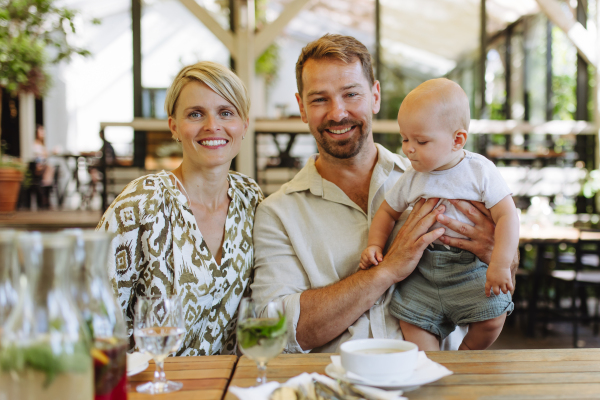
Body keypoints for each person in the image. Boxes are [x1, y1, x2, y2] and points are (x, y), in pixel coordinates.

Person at [251, 34, 518, 353]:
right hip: (337, 384)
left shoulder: (441, 177)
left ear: (375, 96)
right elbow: (271, 331)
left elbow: (505, 263)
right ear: (302, 108)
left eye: (351, 94)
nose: (338, 113)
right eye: (320, 99)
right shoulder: (276, 213)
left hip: (438, 381)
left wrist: (498, 255)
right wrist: (385, 271)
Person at [97, 61, 263, 356]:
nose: (213, 125)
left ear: (244, 124)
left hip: (230, 387)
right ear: (173, 125)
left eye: (226, 112)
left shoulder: (252, 200)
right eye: (196, 114)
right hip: (152, 385)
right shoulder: (141, 203)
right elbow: (95, 315)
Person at [360, 78, 518, 351]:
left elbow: (508, 216)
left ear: (457, 140)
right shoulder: (412, 177)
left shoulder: (480, 171)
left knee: (494, 316)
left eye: (421, 141)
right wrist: (374, 243)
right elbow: (387, 211)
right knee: (411, 321)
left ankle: (465, 354)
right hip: (423, 271)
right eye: (405, 139)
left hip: (470, 269)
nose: (408, 148)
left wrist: (501, 265)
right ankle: (433, 362)